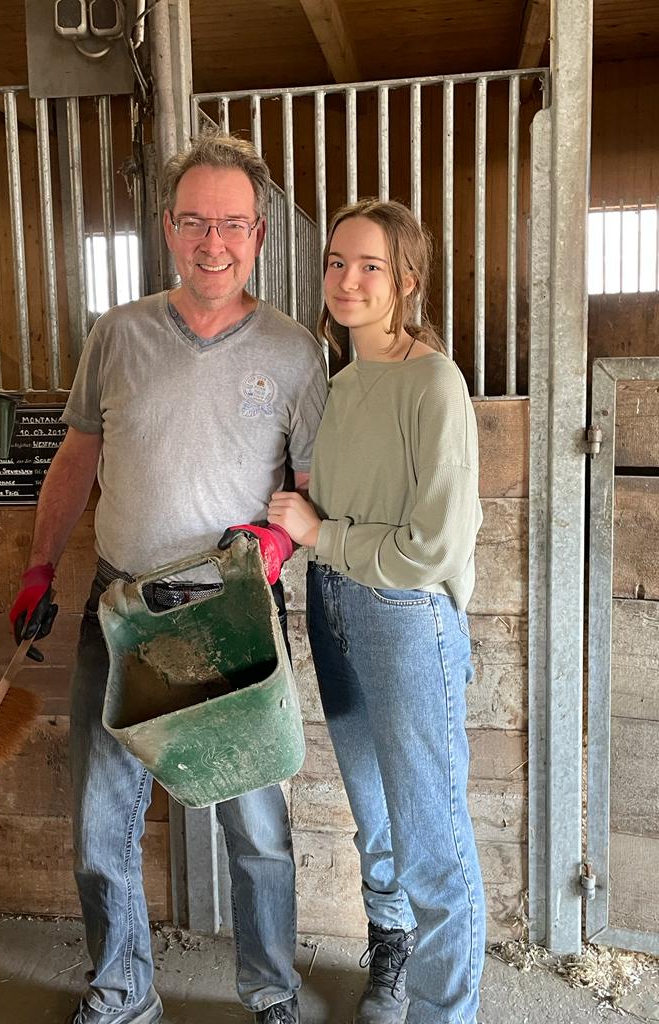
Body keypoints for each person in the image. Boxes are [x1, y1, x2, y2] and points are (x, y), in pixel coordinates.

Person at [8, 130, 327, 1024]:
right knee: (101, 821)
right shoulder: (118, 335)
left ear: (259, 233)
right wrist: (39, 564)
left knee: (256, 825)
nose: (212, 243)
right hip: (122, 609)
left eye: (231, 224)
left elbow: (310, 487)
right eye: (194, 222)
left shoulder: (297, 353)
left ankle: (271, 990)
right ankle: (122, 992)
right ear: (167, 228)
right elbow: (77, 458)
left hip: (233, 614)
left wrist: (277, 547)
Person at [268, 198, 485, 1024]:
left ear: (407, 281)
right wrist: (297, 527)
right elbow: (333, 505)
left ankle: (443, 1013)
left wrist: (322, 533)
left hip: (403, 618)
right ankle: (393, 957)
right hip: (334, 605)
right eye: (336, 263)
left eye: (370, 266)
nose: (347, 280)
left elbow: (436, 545)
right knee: (378, 818)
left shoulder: (434, 383)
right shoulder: (343, 383)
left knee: (433, 840)